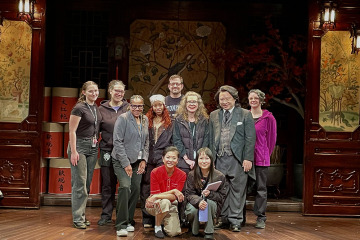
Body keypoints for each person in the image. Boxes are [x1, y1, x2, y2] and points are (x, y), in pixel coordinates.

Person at [209, 85, 256, 232]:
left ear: (235, 99)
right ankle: (223, 219)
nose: (224, 102)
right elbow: (210, 139)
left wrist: (248, 158)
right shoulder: (214, 115)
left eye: (227, 99)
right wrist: (211, 160)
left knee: (238, 190)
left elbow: (250, 138)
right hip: (219, 158)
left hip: (238, 159)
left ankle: (236, 220)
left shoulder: (244, 114)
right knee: (222, 190)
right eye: (221, 99)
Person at [111, 95, 149, 237]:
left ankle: (128, 221)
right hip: (121, 160)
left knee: (135, 189)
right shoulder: (123, 119)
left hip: (137, 161)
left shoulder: (145, 119)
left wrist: (144, 160)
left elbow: (146, 142)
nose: (137, 108)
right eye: (134, 106)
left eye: (140, 106)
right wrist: (126, 163)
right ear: (129, 106)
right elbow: (118, 142)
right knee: (125, 187)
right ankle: (120, 223)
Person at [68, 81, 102, 229]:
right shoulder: (79, 108)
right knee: (79, 184)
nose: (94, 93)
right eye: (90, 91)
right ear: (83, 92)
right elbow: (72, 131)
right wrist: (74, 151)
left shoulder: (95, 107)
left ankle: (82, 215)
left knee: (87, 184)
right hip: (79, 147)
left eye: (96, 91)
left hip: (93, 147)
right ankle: (77, 218)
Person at [97, 80, 129, 226]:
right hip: (107, 150)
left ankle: (124, 216)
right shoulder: (101, 109)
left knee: (125, 185)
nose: (119, 94)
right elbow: (95, 129)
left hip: (124, 151)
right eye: (116, 90)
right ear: (110, 91)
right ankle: (106, 214)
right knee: (107, 184)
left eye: (121, 91)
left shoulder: (128, 108)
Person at [141, 94, 173, 228]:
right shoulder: (146, 120)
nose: (158, 107)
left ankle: (160, 218)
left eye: (160, 105)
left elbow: (172, 142)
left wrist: (168, 157)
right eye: (155, 105)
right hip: (148, 157)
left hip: (162, 158)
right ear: (152, 107)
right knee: (146, 186)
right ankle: (147, 217)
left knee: (161, 187)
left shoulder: (170, 122)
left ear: (164, 106)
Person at [247, 89, 277, 229]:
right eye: (251, 98)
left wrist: (264, 153)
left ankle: (261, 217)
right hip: (246, 159)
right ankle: (239, 217)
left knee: (261, 188)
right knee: (242, 188)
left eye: (256, 98)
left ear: (261, 100)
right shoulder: (244, 116)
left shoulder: (268, 117)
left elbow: (271, 140)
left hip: (260, 159)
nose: (253, 100)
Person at [184, 147, 227, 239]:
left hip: (212, 205)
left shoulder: (220, 176)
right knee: (192, 209)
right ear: (197, 160)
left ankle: (209, 232)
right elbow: (189, 194)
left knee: (209, 203)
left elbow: (222, 197)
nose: (204, 161)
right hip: (195, 203)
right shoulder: (192, 174)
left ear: (211, 160)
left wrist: (210, 194)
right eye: (201, 158)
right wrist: (199, 201)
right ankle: (194, 230)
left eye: (207, 158)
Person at [145, 146, 186, 238]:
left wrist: (157, 196)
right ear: (163, 159)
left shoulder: (182, 175)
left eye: (174, 158)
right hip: (154, 204)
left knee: (173, 233)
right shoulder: (155, 172)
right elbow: (155, 195)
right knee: (165, 202)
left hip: (171, 205)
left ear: (177, 160)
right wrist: (174, 191)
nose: (170, 160)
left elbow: (174, 197)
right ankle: (158, 226)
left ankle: (163, 219)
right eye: (168, 157)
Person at [173, 91, 209, 174]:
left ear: (198, 104)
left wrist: (200, 158)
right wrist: (187, 159)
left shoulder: (204, 120)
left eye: (194, 102)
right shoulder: (178, 120)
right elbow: (176, 140)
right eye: (189, 102)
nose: (192, 104)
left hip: (201, 162)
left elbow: (206, 140)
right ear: (185, 104)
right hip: (183, 161)